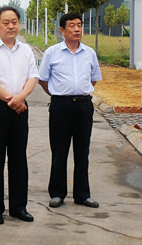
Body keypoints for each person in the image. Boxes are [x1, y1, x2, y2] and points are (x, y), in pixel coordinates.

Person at [0, 6, 38, 225]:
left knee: (19, 158)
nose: (11, 26)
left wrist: (21, 97)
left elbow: (32, 77)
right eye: (6, 22)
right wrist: (13, 100)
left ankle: (19, 206)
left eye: (15, 22)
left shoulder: (26, 50)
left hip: (20, 108)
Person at [38, 12, 102, 209]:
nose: (77, 29)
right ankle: (57, 193)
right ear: (63, 30)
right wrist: (59, 94)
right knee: (59, 151)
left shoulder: (89, 53)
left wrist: (79, 92)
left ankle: (82, 194)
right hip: (60, 106)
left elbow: (93, 79)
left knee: (82, 151)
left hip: (83, 106)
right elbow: (43, 80)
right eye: (72, 26)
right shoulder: (52, 53)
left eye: (79, 25)